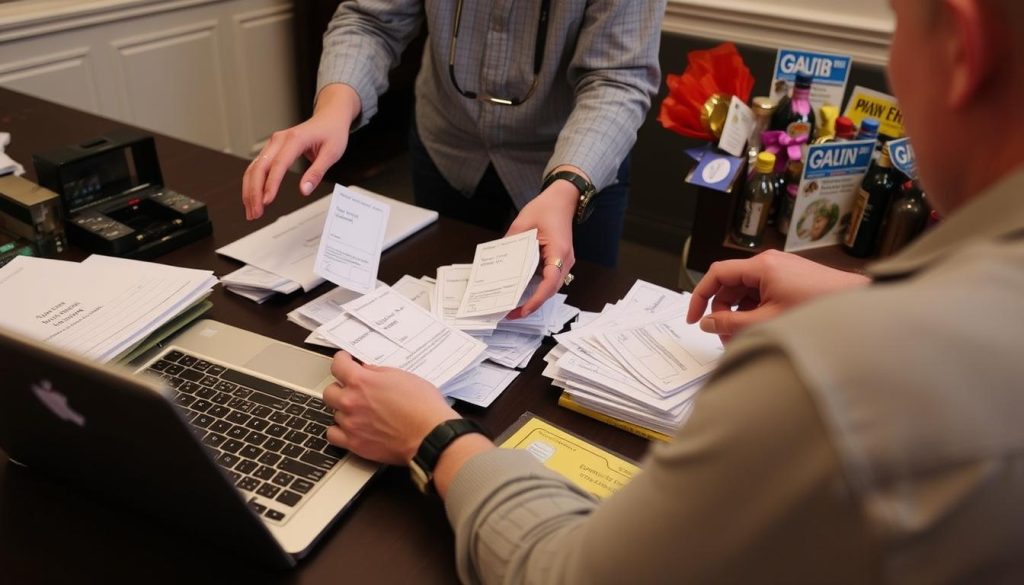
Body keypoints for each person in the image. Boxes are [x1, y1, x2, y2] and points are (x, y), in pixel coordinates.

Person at [322, 0, 1024, 582]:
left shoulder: (822, 377)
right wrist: (863, 302)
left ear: (962, 48)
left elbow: (569, 571)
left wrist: (433, 435)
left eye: (898, 24)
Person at [241, 1, 665, 318]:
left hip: (575, 168)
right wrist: (334, 107)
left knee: (563, 326)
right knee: (437, 316)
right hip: (447, 149)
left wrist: (567, 187)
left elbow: (617, 77)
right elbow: (370, 19)